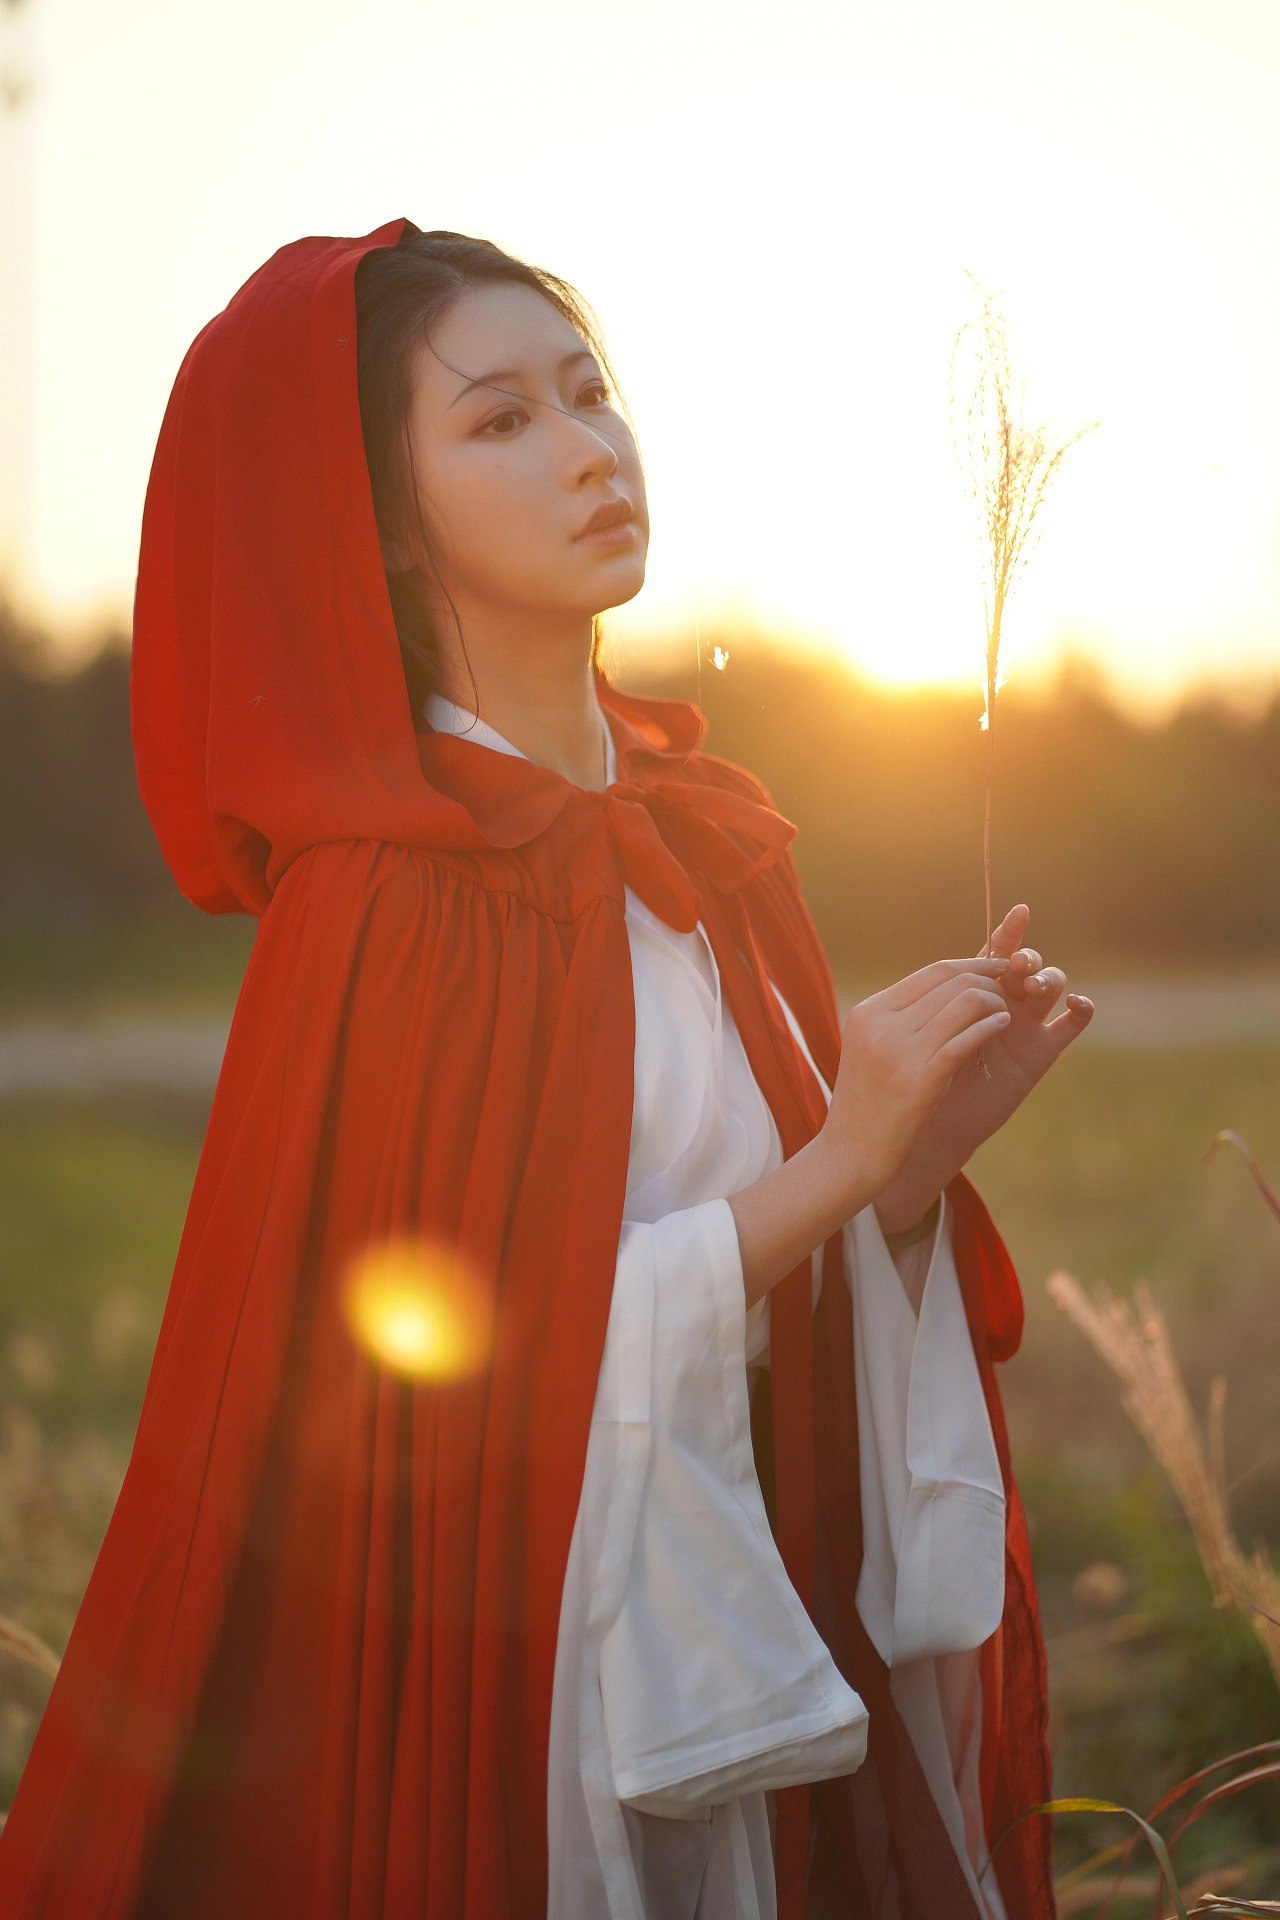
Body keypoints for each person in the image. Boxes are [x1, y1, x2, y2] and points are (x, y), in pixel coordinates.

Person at [0, 218, 1093, 1918]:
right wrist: (837, 1168)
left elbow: (780, 1275)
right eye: (499, 421)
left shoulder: (715, 843)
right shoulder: (382, 896)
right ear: (380, 520)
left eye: (591, 395)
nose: (589, 450)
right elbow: (470, 1380)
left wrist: (911, 1175)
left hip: (767, 1610)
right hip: (527, 1695)